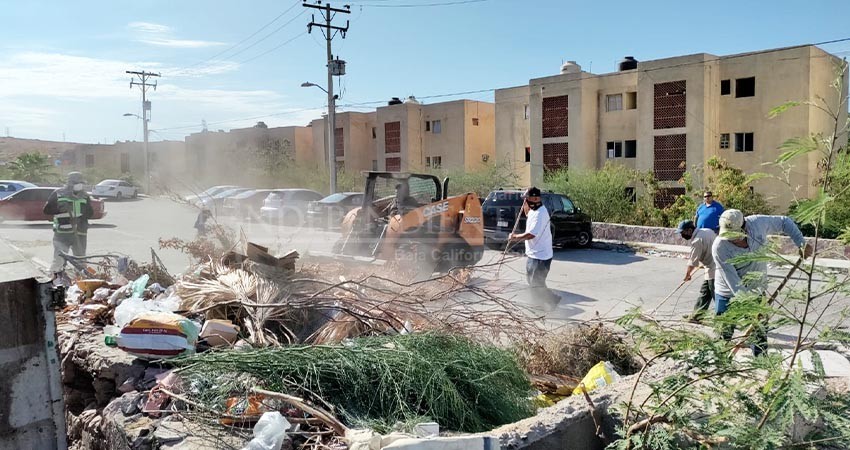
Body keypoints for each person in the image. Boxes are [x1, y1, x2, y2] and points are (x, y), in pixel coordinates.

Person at [712, 209, 812, 356]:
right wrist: (752, 307)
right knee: (724, 332)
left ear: (744, 227)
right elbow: (734, 283)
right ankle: (720, 362)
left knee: (759, 332)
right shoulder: (719, 247)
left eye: (735, 236)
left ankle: (762, 363)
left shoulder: (757, 223)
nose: (732, 239)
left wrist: (801, 243)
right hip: (728, 293)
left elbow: (785, 221)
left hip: (756, 289)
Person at [509, 187, 557, 302]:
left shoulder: (540, 213)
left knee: (536, 284)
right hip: (533, 255)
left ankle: (544, 304)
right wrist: (525, 204)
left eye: (527, 199)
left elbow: (531, 234)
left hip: (541, 257)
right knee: (532, 282)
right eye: (525, 199)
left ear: (536, 198)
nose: (525, 201)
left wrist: (514, 237)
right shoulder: (533, 210)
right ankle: (547, 301)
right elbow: (527, 214)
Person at [43, 172, 94, 278]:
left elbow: (90, 213)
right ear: (70, 183)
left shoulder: (85, 196)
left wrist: (80, 218)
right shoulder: (58, 193)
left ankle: (81, 282)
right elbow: (47, 210)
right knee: (59, 259)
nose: (79, 185)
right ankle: (53, 280)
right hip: (62, 234)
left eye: (81, 183)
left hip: (79, 234)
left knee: (80, 260)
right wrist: (60, 209)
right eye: (77, 183)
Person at [676, 220, 716, 323]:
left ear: (689, 230)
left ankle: (728, 318)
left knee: (717, 295)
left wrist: (687, 275)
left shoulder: (697, 241)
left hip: (715, 270)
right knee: (705, 292)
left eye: (683, 233)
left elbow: (693, 262)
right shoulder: (707, 231)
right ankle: (697, 316)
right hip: (712, 266)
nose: (682, 235)